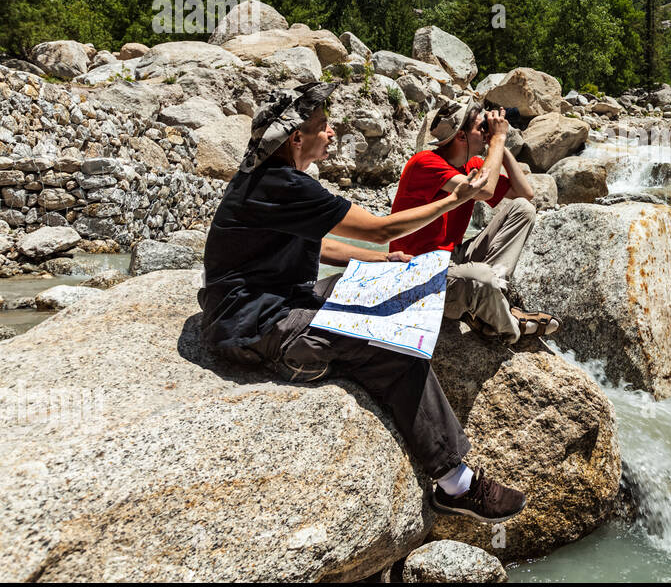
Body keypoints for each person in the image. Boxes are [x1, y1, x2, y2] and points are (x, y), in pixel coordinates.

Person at [198, 81, 526, 523]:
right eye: (323, 126)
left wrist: (382, 261)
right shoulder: (281, 184)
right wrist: (453, 200)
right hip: (260, 324)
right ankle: (455, 483)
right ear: (297, 138)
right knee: (396, 348)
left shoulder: (270, 179)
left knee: (390, 286)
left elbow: (326, 247)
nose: (331, 133)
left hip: (275, 301)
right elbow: (378, 228)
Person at [389, 97, 560, 344]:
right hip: (419, 272)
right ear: (461, 136)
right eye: (481, 128)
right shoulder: (425, 163)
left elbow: (526, 194)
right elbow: (484, 191)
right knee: (481, 277)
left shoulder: (471, 164)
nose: (486, 132)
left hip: (453, 257)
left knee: (522, 209)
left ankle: (492, 296)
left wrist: (501, 146)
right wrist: (498, 141)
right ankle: (511, 326)